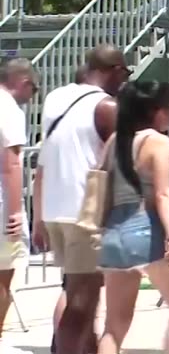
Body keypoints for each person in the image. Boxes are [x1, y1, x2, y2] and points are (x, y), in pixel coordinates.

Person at [34, 45, 131, 354]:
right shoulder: (106, 107)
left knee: (80, 299)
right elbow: (122, 162)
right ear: (113, 70)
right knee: (82, 302)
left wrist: (38, 216)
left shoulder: (55, 98)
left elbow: (46, 159)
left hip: (55, 208)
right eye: (124, 73)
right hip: (86, 213)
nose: (124, 81)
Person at [97, 82, 169, 354]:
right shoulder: (157, 142)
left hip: (112, 235)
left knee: (113, 327)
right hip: (145, 232)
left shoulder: (113, 142)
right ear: (156, 110)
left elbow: (101, 190)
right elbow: (163, 194)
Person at [0, 59, 37, 354]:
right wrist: (15, 211)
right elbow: (11, 164)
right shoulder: (9, 110)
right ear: (23, 82)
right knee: (4, 271)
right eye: (34, 89)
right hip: (1, 202)